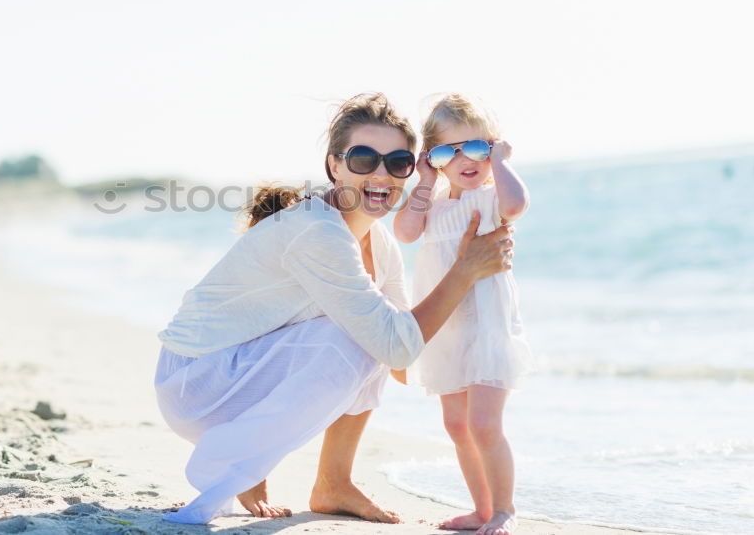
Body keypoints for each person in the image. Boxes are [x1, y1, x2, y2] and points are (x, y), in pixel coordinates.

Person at [155, 93, 515, 525]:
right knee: (369, 332)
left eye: (398, 161)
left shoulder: (379, 244)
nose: (382, 174)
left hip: (239, 373)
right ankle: (242, 463)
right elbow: (398, 347)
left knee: (377, 329)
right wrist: (464, 270)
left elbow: (401, 358)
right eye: (364, 158)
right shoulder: (316, 233)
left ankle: (333, 482)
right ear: (334, 166)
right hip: (195, 386)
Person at [392, 93, 532, 535]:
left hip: (488, 327)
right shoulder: (431, 206)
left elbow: (516, 206)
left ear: (491, 150)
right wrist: (424, 182)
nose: (464, 160)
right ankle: (482, 509)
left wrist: (504, 162)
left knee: (484, 424)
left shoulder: (490, 197)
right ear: (432, 159)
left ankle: (506, 509)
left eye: (475, 148)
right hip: (447, 331)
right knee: (456, 425)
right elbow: (405, 232)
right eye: (446, 152)